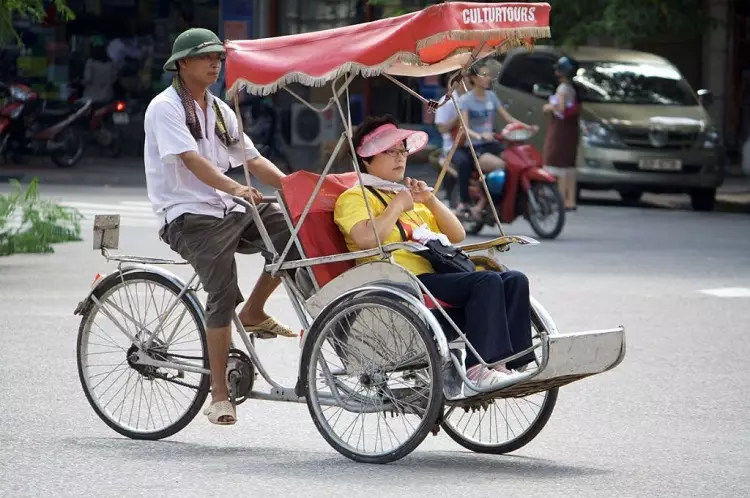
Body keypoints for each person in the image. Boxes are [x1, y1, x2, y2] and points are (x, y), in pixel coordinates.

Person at [143, 28, 299, 426]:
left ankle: (255, 310)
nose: (215, 63)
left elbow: (252, 158)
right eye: (205, 57)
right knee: (221, 290)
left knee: (291, 235)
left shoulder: (220, 110)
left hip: (228, 206)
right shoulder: (166, 108)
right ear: (182, 64)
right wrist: (234, 186)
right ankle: (219, 395)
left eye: (218, 57)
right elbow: (192, 160)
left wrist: (296, 188)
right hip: (187, 214)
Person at [333, 115, 536, 391]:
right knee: (486, 282)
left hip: (432, 279)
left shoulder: (405, 195)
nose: (399, 158)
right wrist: (395, 207)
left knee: (514, 280)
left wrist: (429, 200)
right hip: (397, 282)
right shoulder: (355, 198)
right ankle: (480, 368)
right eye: (389, 152)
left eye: (402, 150)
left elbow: (456, 235)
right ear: (366, 159)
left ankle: (512, 363)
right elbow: (367, 239)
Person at [452, 60, 534, 220]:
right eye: (484, 75)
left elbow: (508, 118)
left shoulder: (491, 96)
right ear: (473, 78)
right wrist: (479, 136)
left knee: (514, 162)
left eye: (489, 75)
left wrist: (527, 127)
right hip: (475, 146)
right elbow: (465, 128)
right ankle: (481, 204)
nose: (488, 78)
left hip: (492, 143)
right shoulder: (466, 100)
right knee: (500, 165)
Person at [542, 56, 582, 211]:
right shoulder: (573, 88)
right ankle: (570, 199)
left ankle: (560, 198)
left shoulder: (562, 89)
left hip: (560, 130)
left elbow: (561, 108)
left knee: (557, 163)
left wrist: (548, 107)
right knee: (568, 165)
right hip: (571, 131)